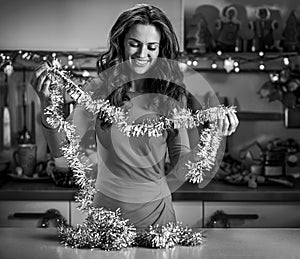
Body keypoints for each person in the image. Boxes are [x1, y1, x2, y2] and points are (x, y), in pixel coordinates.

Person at [31, 4, 239, 229]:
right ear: (121, 44)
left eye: (151, 46)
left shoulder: (169, 96)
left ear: (161, 49)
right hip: (104, 221)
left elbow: (183, 165)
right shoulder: (98, 91)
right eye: (134, 44)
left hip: (157, 222)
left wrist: (215, 133)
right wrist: (47, 106)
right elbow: (62, 157)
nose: (143, 54)